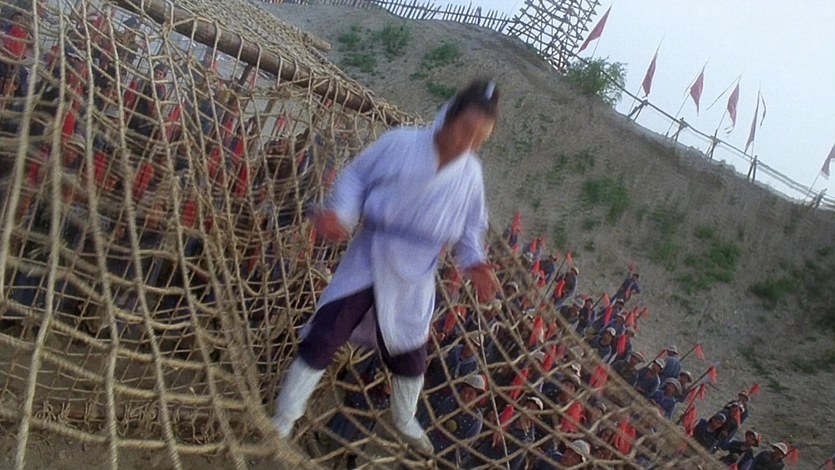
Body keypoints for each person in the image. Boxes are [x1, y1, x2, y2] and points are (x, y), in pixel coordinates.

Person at [270, 80, 502, 454]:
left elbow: (472, 225)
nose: (468, 143)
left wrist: (475, 261)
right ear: (449, 116)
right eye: (465, 130)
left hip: (416, 272)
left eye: (480, 139)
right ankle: (283, 419)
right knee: (327, 332)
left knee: (409, 352)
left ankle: (404, 417)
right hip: (372, 253)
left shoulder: (471, 174)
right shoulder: (401, 142)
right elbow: (356, 176)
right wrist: (342, 214)